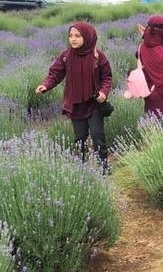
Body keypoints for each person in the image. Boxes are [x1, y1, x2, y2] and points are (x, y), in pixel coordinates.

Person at [35, 21, 112, 173]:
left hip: (94, 104)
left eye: (78, 36)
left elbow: (107, 77)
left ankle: (104, 167)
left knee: (98, 137)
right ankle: (81, 169)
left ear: (88, 37)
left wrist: (104, 92)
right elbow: (55, 74)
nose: (73, 39)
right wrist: (46, 85)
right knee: (80, 138)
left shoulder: (98, 56)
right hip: (75, 104)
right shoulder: (65, 56)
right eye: (70, 36)